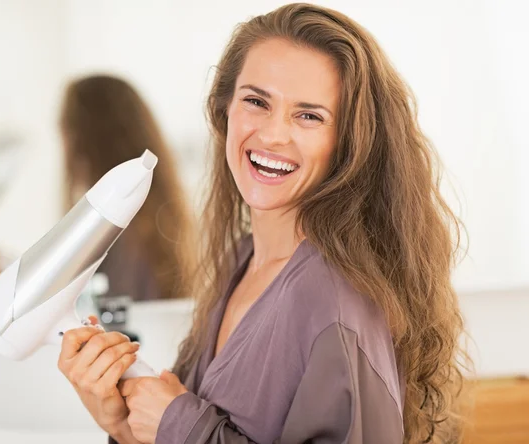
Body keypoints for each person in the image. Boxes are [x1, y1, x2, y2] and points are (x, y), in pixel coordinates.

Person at [57, 4, 470, 444]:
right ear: (225, 111)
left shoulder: (337, 303)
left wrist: (180, 426)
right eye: (256, 102)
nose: (273, 135)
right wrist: (122, 426)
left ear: (349, 142)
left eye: (309, 115)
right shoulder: (242, 258)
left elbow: (181, 429)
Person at [0, 74, 195, 303]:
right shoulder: (156, 222)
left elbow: (95, 325)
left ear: (81, 141)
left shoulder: (115, 231)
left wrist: (13, 297)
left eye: (65, 133)